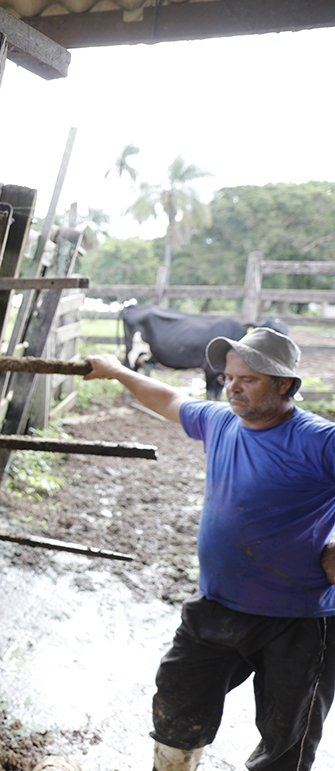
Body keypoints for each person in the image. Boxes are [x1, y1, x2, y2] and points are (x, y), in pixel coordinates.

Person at [83, 326, 335, 771]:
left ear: (285, 385)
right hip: (218, 605)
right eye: (230, 376)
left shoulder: (319, 441)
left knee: (286, 743)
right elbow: (167, 400)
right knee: (178, 704)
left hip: (299, 620)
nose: (232, 386)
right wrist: (119, 371)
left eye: (249, 379)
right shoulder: (220, 421)